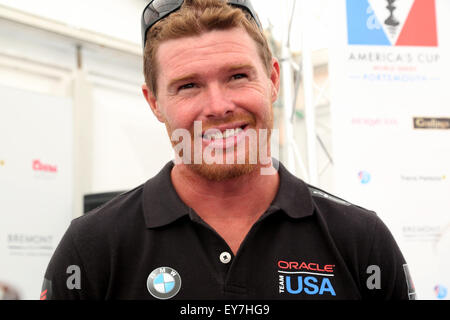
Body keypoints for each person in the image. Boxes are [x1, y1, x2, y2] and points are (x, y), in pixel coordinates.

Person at [41, 0, 415, 300]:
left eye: (237, 76)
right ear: (154, 102)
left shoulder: (360, 239)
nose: (218, 106)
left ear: (272, 80)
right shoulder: (92, 247)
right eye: (188, 85)